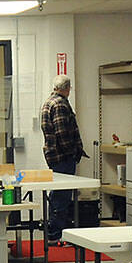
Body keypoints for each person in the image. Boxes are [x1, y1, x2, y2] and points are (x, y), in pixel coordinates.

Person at [40, 75, 88, 244]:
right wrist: (73, 152)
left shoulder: (48, 102)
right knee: (62, 196)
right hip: (63, 157)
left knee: (57, 195)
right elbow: (62, 133)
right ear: (67, 88)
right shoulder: (60, 104)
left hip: (54, 156)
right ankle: (56, 234)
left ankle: (53, 232)